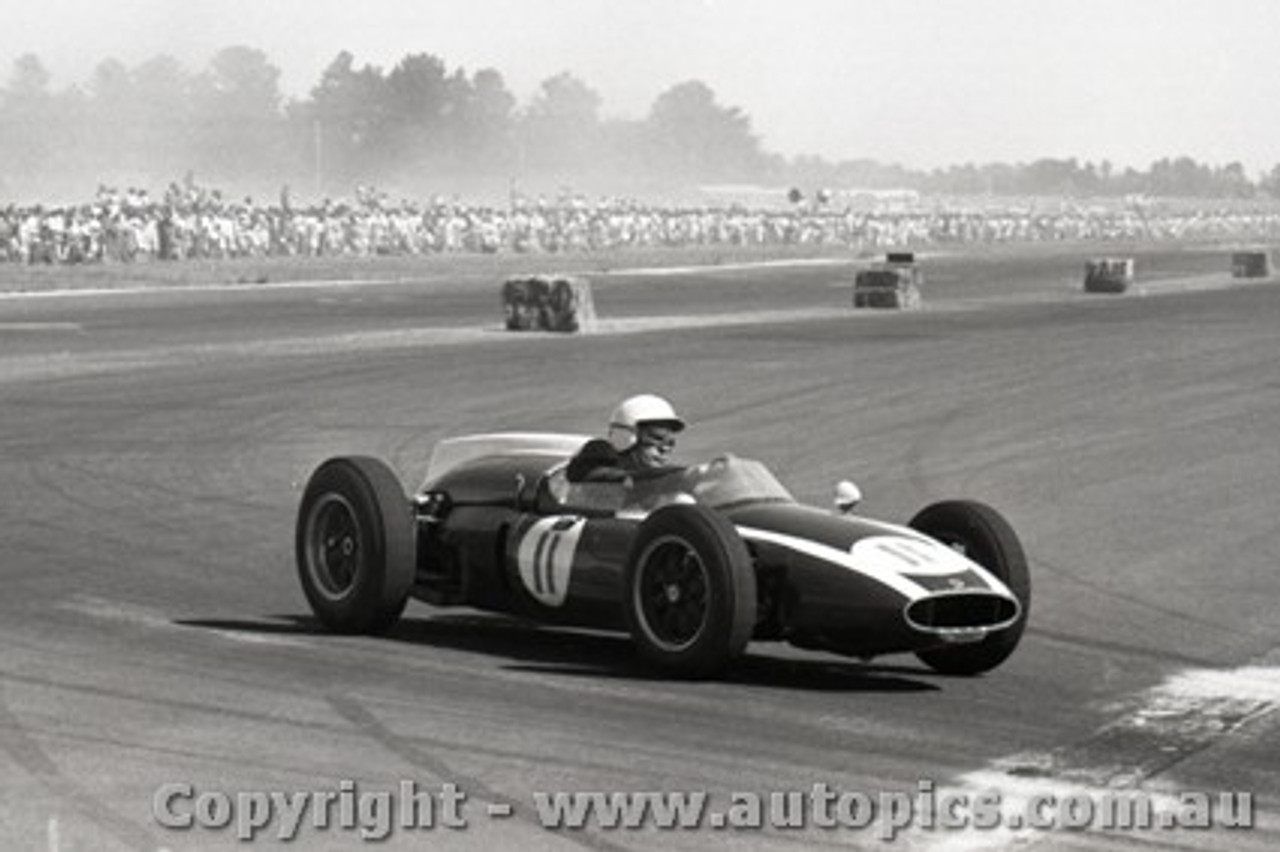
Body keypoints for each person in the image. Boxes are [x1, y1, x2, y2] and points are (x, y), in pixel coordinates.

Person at [566, 394, 685, 483]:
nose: (664, 449)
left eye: (670, 443)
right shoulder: (599, 454)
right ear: (627, 436)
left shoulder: (658, 484)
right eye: (657, 437)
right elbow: (602, 476)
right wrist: (680, 474)